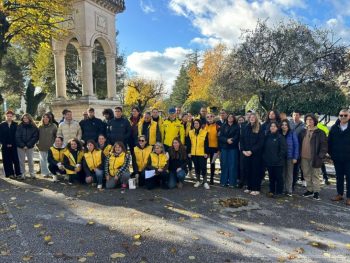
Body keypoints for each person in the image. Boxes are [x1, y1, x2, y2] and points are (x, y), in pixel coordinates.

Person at [299, 113, 328, 200]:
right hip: (304, 157)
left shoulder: (320, 132)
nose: (309, 121)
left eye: (311, 120)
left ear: (314, 121)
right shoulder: (303, 132)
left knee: (315, 175)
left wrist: (320, 156)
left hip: (315, 157)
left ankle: (316, 192)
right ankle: (310, 190)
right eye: (307, 120)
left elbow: (324, 146)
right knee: (306, 174)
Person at [329, 109, 350, 205]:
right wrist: (332, 155)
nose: (343, 117)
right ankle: (339, 194)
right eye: (341, 115)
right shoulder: (334, 128)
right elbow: (329, 143)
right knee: (339, 177)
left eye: (345, 115)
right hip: (337, 158)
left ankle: (349, 197)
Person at [240, 113, 264, 196]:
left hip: (256, 154)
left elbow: (261, 142)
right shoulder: (246, 127)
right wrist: (243, 150)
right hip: (246, 153)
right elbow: (242, 139)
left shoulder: (260, 127)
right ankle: (249, 187)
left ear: (256, 118)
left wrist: (251, 151)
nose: (252, 118)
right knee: (248, 170)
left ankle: (256, 189)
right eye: (250, 117)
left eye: (253, 117)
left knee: (255, 171)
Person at [263, 122, 287, 198]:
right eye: (271, 126)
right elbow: (265, 149)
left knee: (279, 178)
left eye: (274, 126)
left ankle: (279, 192)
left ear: (277, 128)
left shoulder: (280, 137)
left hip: (278, 162)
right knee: (271, 177)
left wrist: (278, 158)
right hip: (269, 162)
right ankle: (272, 191)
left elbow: (283, 150)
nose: (272, 127)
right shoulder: (267, 136)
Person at [218, 113, 240, 187]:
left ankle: (232, 183)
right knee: (224, 164)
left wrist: (232, 140)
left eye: (232, 117)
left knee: (233, 165)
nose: (230, 118)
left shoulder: (237, 126)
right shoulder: (223, 126)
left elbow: (237, 136)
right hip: (225, 148)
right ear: (227, 118)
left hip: (233, 148)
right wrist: (226, 140)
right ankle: (223, 182)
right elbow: (220, 137)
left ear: (234, 118)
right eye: (229, 117)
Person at [187, 119, 210, 190]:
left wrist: (206, 153)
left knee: (203, 167)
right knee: (196, 167)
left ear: (200, 124)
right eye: (195, 123)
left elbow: (206, 144)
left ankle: (205, 182)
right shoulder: (190, 132)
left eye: (197, 123)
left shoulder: (205, 132)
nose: (196, 125)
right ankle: (198, 181)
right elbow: (189, 144)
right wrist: (189, 152)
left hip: (202, 153)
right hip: (193, 153)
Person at [15, 113, 39, 179]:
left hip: (30, 147)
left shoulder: (33, 127)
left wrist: (28, 145)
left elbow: (35, 137)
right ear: (22, 119)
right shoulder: (19, 126)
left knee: (30, 161)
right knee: (21, 161)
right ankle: (23, 174)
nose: (25, 119)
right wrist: (22, 145)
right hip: (20, 146)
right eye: (24, 118)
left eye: (27, 118)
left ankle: (32, 173)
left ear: (29, 118)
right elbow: (17, 136)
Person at [280, 120, 299, 196]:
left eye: (285, 125)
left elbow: (296, 145)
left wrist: (295, 157)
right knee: (282, 173)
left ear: (288, 126)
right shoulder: (279, 133)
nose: (284, 126)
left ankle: (289, 190)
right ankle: (283, 189)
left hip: (290, 157)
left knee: (289, 174)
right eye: (283, 125)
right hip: (281, 157)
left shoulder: (292, 133)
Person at [0, 110, 21, 178]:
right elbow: (0, 136)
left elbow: (17, 135)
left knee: (16, 160)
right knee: (7, 160)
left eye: (10, 116)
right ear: (5, 116)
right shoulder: (2, 125)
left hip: (14, 145)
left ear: (13, 117)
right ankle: (10, 174)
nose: (9, 117)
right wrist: (6, 144)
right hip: (5, 146)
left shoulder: (16, 124)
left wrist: (12, 143)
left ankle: (18, 173)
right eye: (8, 116)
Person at [37, 113, 57, 178]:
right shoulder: (40, 126)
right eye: (44, 117)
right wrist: (37, 144)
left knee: (50, 160)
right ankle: (44, 173)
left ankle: (51, 172)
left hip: (51, 146)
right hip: (41, 146)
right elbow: (36, 136)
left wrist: (55, 145)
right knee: (43, 160)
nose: (45, 119)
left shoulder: (53, 126)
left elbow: (56, 136)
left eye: (47, 117)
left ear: (49, 119)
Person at [290, 110, 306, 188]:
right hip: (289, 148)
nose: (295, 116)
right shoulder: (289, 123)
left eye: (297, 115)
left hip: (298, 149)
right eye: (294, 115)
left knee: (296, 168)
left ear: (299, 116)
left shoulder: (303, 126)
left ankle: (293, 184)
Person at [204, 113, 220, 185]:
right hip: (206, 148)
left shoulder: (217, 127)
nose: (209, 118)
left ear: (214, 117)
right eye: (208, 117)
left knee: (212, 163)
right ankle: (204, 179)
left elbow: (219, 138)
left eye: (211, 116)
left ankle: (211, 178)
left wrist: (219, 149)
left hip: (214, 148)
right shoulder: (204, 126)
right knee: (203, 163)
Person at [317, 120, 330, 185]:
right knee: (322, 165)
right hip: (321, 148)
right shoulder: (323, 126)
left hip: (318, 148)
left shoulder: (321, 126)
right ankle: (325, 178)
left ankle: (325, 178)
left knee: (321, 164)